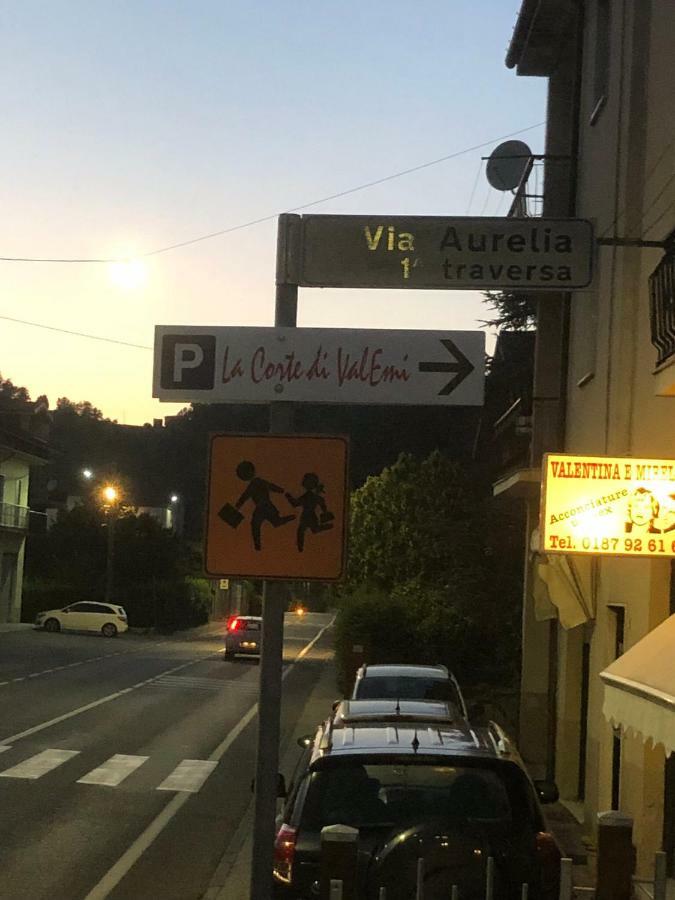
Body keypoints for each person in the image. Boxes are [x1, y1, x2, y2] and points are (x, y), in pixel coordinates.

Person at [234, 460, 294, 551]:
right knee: (259, 524)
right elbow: (246, 496)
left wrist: (280, 490)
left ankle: (257, 546)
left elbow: (246, 496)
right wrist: (280, 490)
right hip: (263, 507)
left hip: (265, 507)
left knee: (263, 524)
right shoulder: (256, 483)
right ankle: (257, 546)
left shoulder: (256, 483)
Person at [285, 472, 334, 552]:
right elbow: (321, 503)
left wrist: (288, 497)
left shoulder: (308, 496)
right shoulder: (311, 495)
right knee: (308, 530)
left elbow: (295, 503)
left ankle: (300, 549)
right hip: (308, 516)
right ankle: (300, 549)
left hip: (308, 516)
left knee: (304, 531)